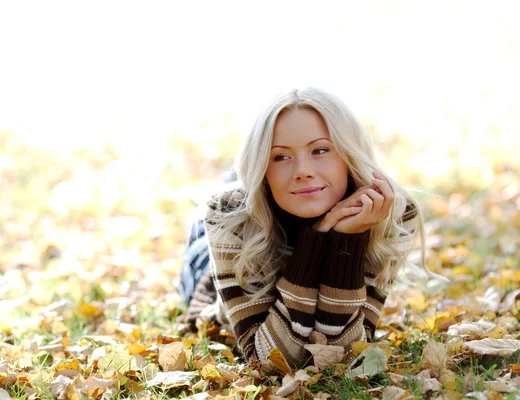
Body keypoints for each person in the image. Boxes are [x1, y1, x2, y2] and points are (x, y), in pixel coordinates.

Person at [179, 87, 423, 367]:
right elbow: (268, 361)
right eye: (280, 156)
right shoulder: (226, 213)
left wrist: (346, 239)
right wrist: (317, 239)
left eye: (320, 150)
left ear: (349, 155)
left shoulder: (391, 212)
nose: (303, 170)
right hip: (235, 242)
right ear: (264, 167)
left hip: (282, 196)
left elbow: (346, 351)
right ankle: (243, 177)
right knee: (227, 199)